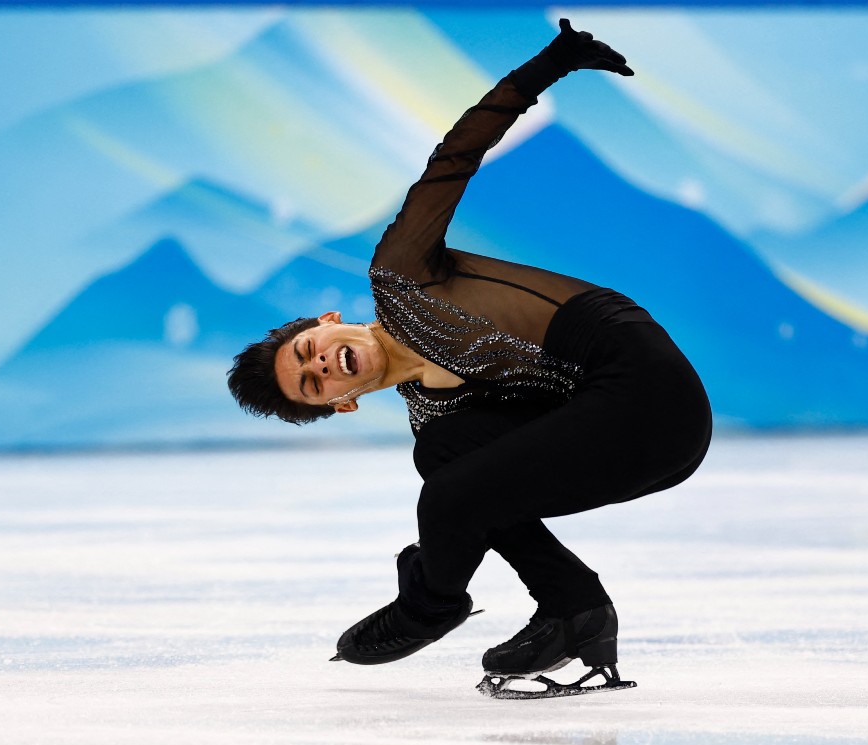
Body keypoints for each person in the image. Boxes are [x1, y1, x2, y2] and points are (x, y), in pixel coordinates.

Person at [228, 19, 712, 697]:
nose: (323, 365)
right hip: (626, 442)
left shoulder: (401, 276)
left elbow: (452, 159)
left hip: (649, 389)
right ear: (340, 403)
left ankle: (432, 603)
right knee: (446, 459)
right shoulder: (432, 412)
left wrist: (548, 66)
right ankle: (576, 608)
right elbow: (489, 473)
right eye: (312, 384)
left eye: (309, 350)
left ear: (326, 321)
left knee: (454, 492)